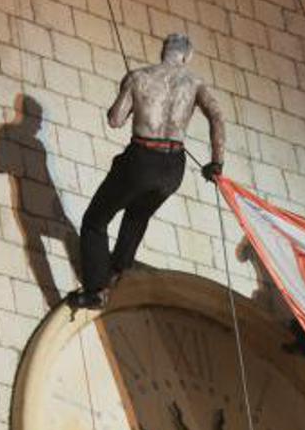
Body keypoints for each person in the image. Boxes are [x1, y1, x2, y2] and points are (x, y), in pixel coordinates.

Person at [70, 33, 225, 310]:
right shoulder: (195, 83)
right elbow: (217, 116)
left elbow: (115, 120)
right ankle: (117, 270)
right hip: (173, 169)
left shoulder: (139, 77)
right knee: (138, 214)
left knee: (95, 220)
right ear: (187, 57)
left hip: (141, 160)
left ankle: (96, 290)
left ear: (163, 51)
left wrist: (130, 99)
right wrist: (217, 163)